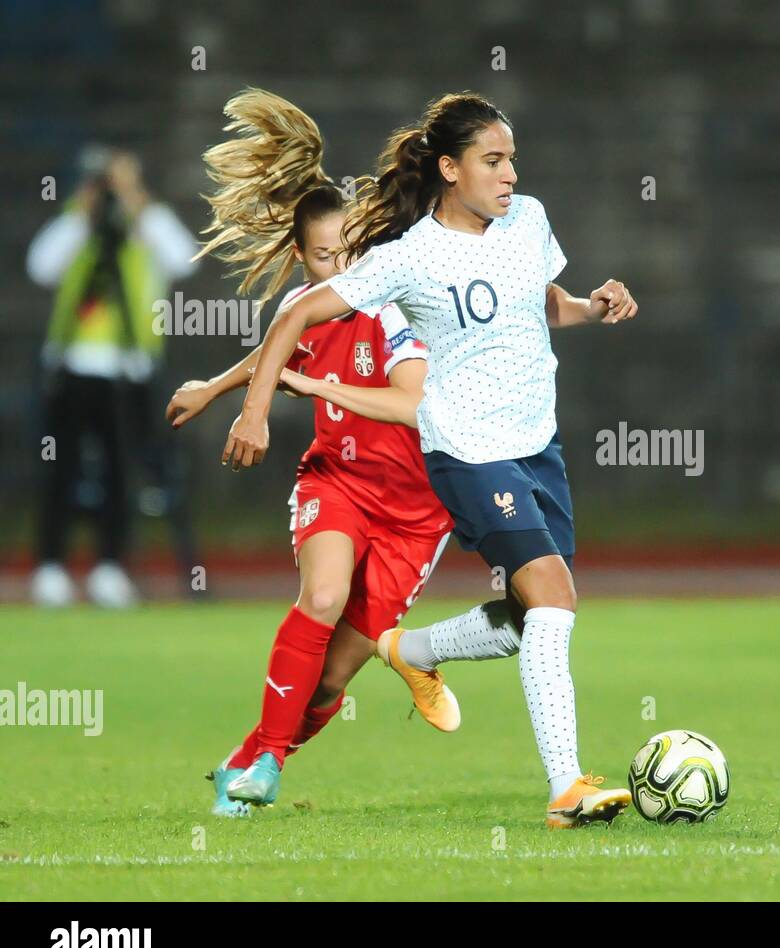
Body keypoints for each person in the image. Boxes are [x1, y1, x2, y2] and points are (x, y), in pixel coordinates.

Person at [221, 91, 641, 829]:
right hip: (468, 454)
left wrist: (592, 307)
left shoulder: (529, 220)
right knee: (555, 600)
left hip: (537, 448)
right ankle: (566, 786)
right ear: (450, 168)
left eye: (512, 158)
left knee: (524, 617)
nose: (511, 174)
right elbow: (296, 313)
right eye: (494, 160)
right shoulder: (411, 256)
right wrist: (252, 407)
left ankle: (406, 647)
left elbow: (541, 304)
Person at [168, 89, 525, 818]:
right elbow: (275, 346)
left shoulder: (393, 305)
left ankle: (251, 755)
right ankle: (265, 763)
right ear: (301, 255)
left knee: (331, 681)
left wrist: (308, 382)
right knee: (322, 596)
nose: (338, 269)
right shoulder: (305, 309)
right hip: (338, 482)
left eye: (349, 252)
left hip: (415, 513)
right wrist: (217, 390)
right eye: (324, 255)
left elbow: (413, 402)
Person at [28, 146, 199, 607]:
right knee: (60, 470)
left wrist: (135, 201)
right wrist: (84, 212)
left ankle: (110, 566)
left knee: (122, 471)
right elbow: (41, 266)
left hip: (130, 368)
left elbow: (186, 259)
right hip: (74, 364)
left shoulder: (146, 223)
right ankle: (51, 566)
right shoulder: (76, 221)